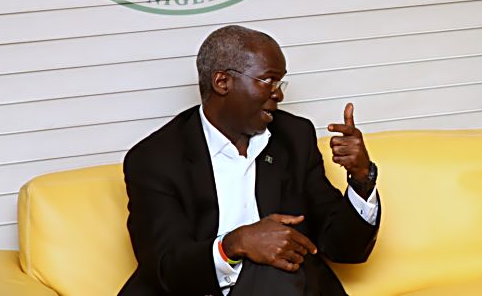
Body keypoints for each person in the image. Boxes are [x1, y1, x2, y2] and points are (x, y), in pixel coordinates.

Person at [118, 25, 380, 296]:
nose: (279, 94)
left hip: (285, 286)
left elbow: (343, 247)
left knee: (278, 271)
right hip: (198, 290)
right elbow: (166, 266)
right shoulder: (155, 158)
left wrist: (361, 178)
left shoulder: (294, 137)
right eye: (269, 81)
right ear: (222, 82)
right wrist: (234, 244)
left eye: (280, 83)